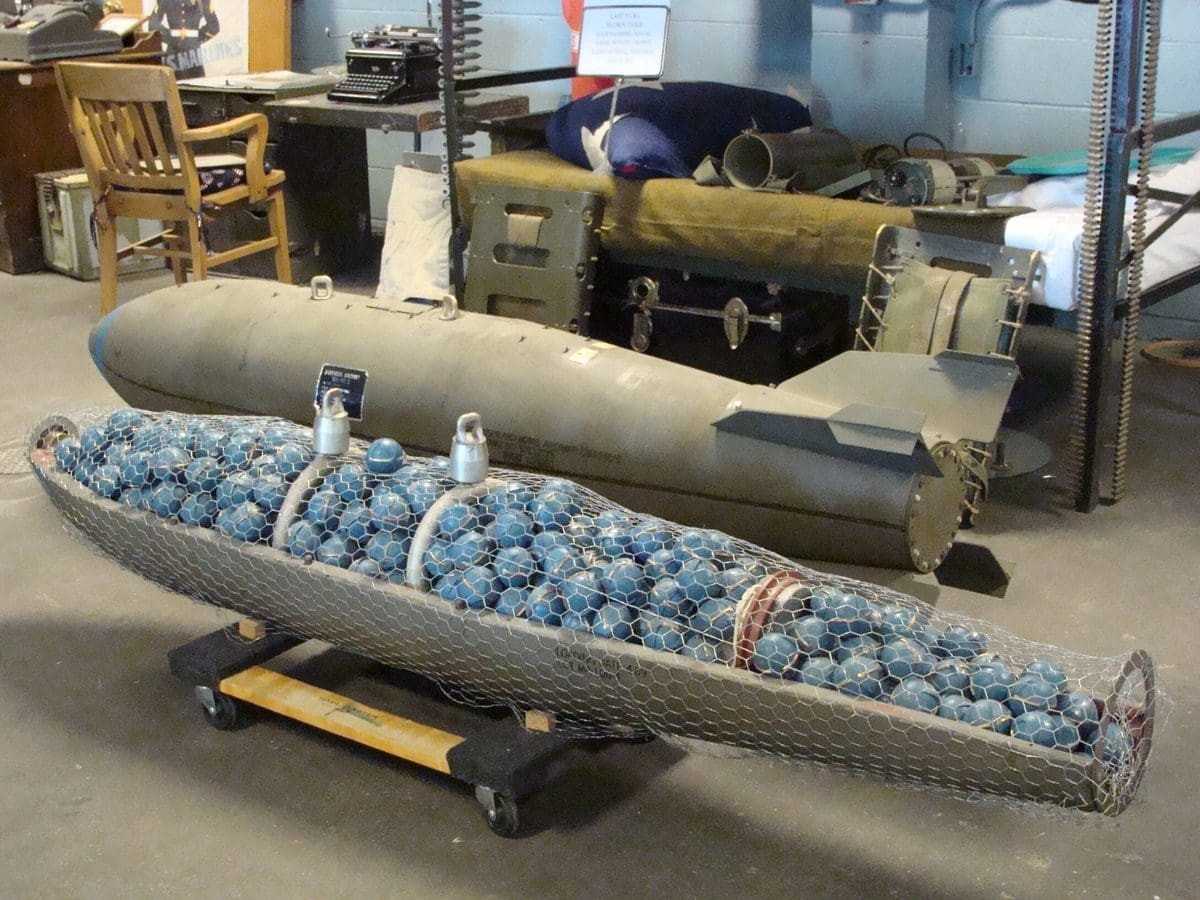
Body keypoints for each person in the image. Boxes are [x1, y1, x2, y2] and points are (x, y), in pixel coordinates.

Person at [148, 0, 220, 79]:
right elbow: (153, 25)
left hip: (193, 54)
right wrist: (172, 35)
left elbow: (214, 27)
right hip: (173, 52)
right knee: (171, 83)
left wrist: (195, 36)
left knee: (195, 84)